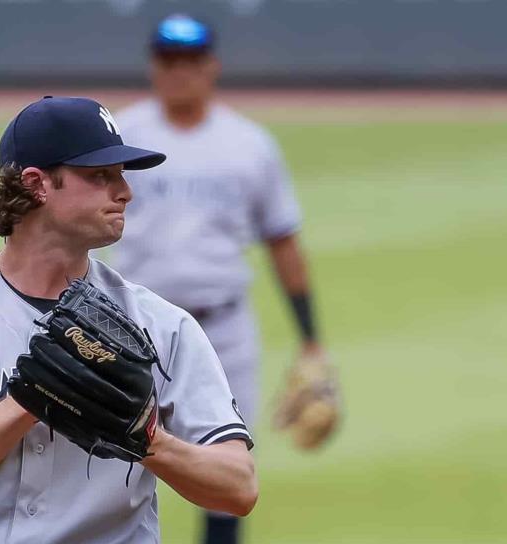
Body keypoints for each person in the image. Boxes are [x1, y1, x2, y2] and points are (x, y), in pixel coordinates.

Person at [0, 96, 258, 543]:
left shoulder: (161, 324)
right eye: (100, 176)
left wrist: (147, 437)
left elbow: (238, 487)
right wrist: (29, 400)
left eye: (122, 176)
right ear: (37, 183)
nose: (125, 192)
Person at [110, 15, 338, 544]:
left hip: (222, 332)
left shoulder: (249, 145)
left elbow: (282, 239)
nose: (179, 73)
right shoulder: (121, 136)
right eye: (169, 61)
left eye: (190, 61)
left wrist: (310, 341)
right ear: (153, 66)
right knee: (108, 470)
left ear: (211, 66)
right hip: (129, 328)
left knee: (223, 476)